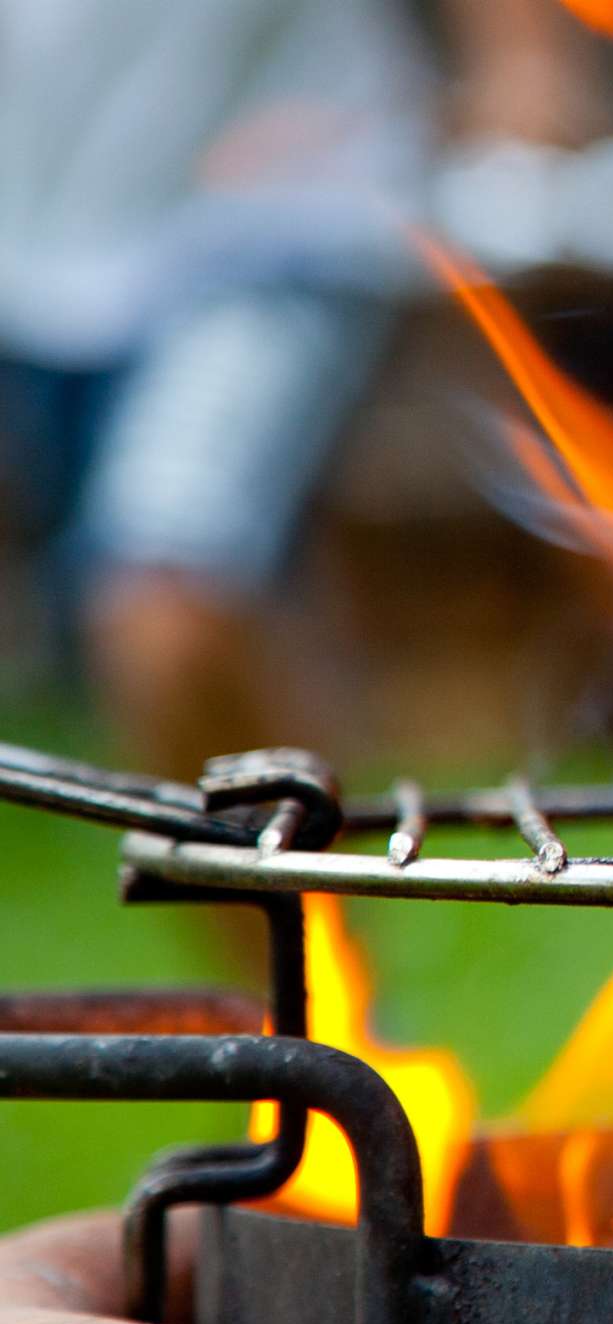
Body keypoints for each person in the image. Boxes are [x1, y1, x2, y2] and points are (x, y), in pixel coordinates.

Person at [0, 0, 439, 772]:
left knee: (165, 599)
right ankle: (300, 841)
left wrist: (500, 90)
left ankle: (295, 850)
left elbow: (525, 70)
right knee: (202, 621)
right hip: (38, 259)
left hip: (270, 228)